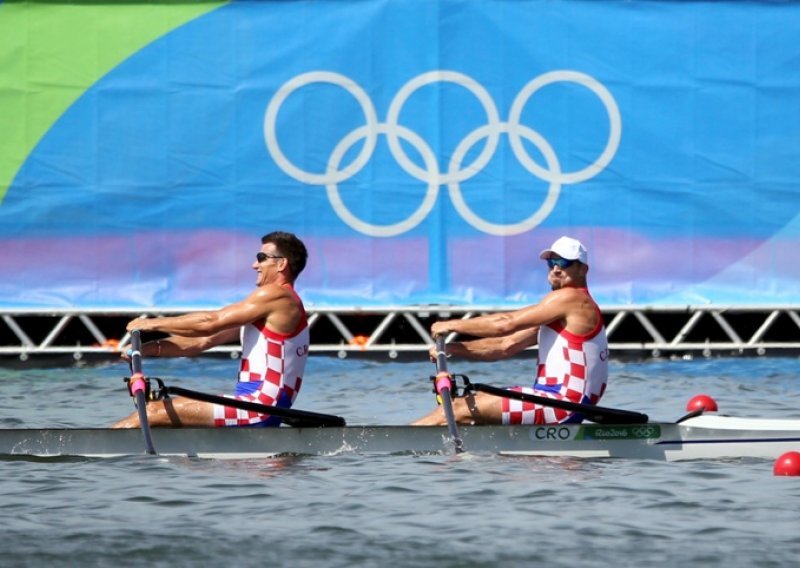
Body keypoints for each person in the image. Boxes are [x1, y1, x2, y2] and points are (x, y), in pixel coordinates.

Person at [113, 231, 310, 428]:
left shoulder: (278, 295)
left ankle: (89, 454)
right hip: (257, 406)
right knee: (161, 410)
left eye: (261, 258)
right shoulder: (270, 310)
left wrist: (151, 323)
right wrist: (145, 349)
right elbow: (201, 341)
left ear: (281, 264)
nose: (254, 265)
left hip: (261, 407)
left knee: (153, 411)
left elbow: (209, 322)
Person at [413, 236, 608, 426]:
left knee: (459, 409)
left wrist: (450, 325)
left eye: (564, 262)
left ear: (583, 269)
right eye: (551, 262)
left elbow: (505, 323)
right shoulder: (562, 314)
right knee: (473, 402)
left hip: (562, 404)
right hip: (558, 403)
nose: (556, 268)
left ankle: (388, 447)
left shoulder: (572, 298)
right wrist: (453, 348)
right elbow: (505, 345)